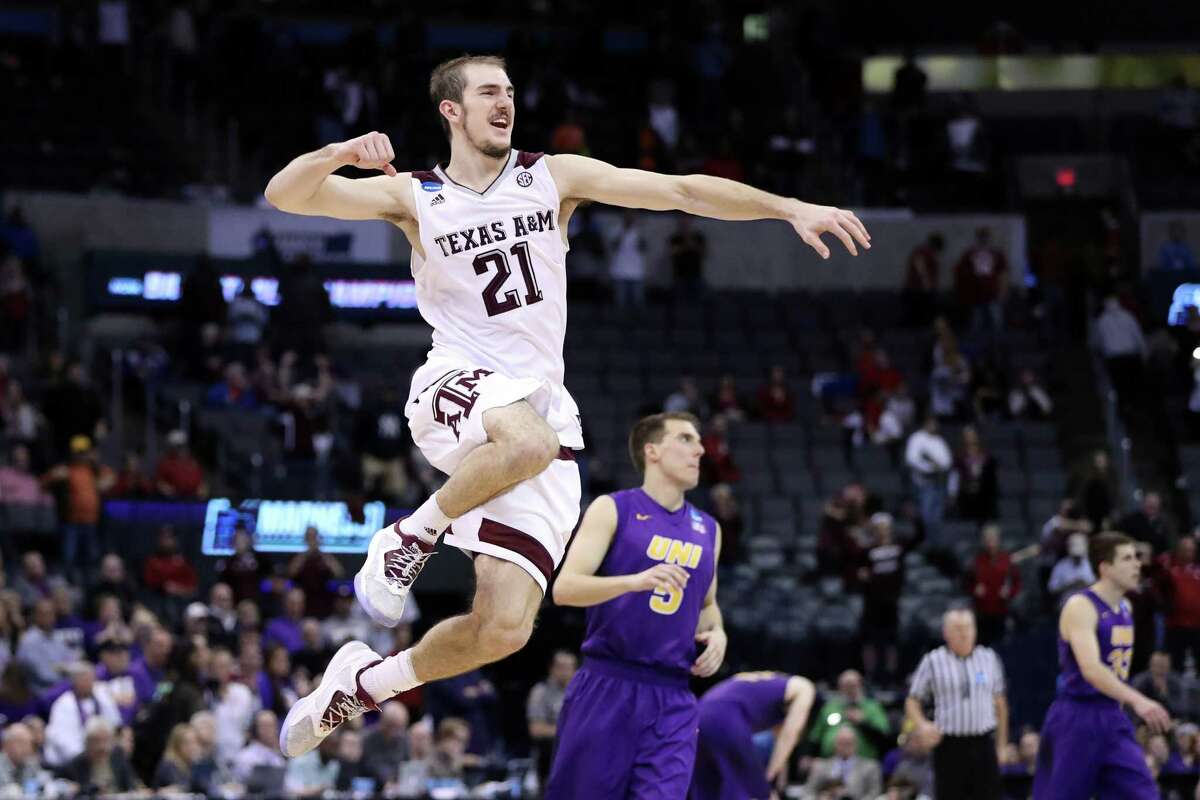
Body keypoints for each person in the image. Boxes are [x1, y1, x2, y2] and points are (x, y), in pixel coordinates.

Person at [267, 54, 866, 756]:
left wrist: (787, 206)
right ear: (451, 110)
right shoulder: (415, 195)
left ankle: (359, 686)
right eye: (489, 92)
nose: (506, 102)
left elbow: (678, 190)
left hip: (541, 406)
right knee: (527, 444)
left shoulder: (551, 178)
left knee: (505, 629)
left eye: (511, 92)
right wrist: (340, 152)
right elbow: (286, 195)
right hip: (458, 383)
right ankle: (408, 539)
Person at [545, 412, 726, 797]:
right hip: (608, 684)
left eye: (699, 440)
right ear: (652, 451)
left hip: (674, 694)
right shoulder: (613, 509)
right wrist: (634, 581)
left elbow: (707, 604)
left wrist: (718, 632)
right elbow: (566, 589)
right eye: (686, 439)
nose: (700, 449)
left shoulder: (709, 529)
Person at [1032, 533, 1170, 798]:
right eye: (1127, 558)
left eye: (1137, 558)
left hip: (1113, 716)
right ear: (1105, 568)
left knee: (1144, 794)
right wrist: (1138, 700)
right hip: (1077, 717)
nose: (1136, 565)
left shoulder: (1126, 608)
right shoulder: (1080, 606)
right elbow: (1092, 669)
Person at [906, 609, 1008, 800]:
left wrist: (1001, 745)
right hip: (949, 745)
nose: (964, 633)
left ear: (975, 630)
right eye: (958, 628)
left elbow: (1001, 704)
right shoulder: (933, 661)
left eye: (968, 627)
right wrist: (922, 725)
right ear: (946, 633)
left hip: (983, 742)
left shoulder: (989, 658)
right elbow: (912, 700)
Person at [689, 671, 815, 800]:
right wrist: (768, 781)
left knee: (709, 785)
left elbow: (779, 743)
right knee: (752, 791)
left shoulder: (767, 685)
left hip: (699, 715)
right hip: (727, 717)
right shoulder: (804, 687)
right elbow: (790, 735)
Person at [526, 650, 577, 785]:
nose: (565, 672)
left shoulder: (581, 692)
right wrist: (571, 730)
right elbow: (536, 730)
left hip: (577, 756)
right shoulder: (540, 692)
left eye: (569, 667)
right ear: (552, 669)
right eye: (561, 667)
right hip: (549, 757)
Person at [803, 725, 883, 800]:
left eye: (848, 743)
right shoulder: (821, 766)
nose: (845, 747)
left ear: (856, 744)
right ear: (835, 744)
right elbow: (808, 792)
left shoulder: (870, 767)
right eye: (841, 743)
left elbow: (874, 794)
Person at [668, 214, 707, 300]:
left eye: (687, 221)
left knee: (698, 301)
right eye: (683, 221)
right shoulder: (675, 238)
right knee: (679, 301)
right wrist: (686, 245)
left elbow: (704, 252)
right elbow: (672, 252)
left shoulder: (698, 237)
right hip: (679, 275)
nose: (685, 223)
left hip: (696, 274)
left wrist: (690, 243)